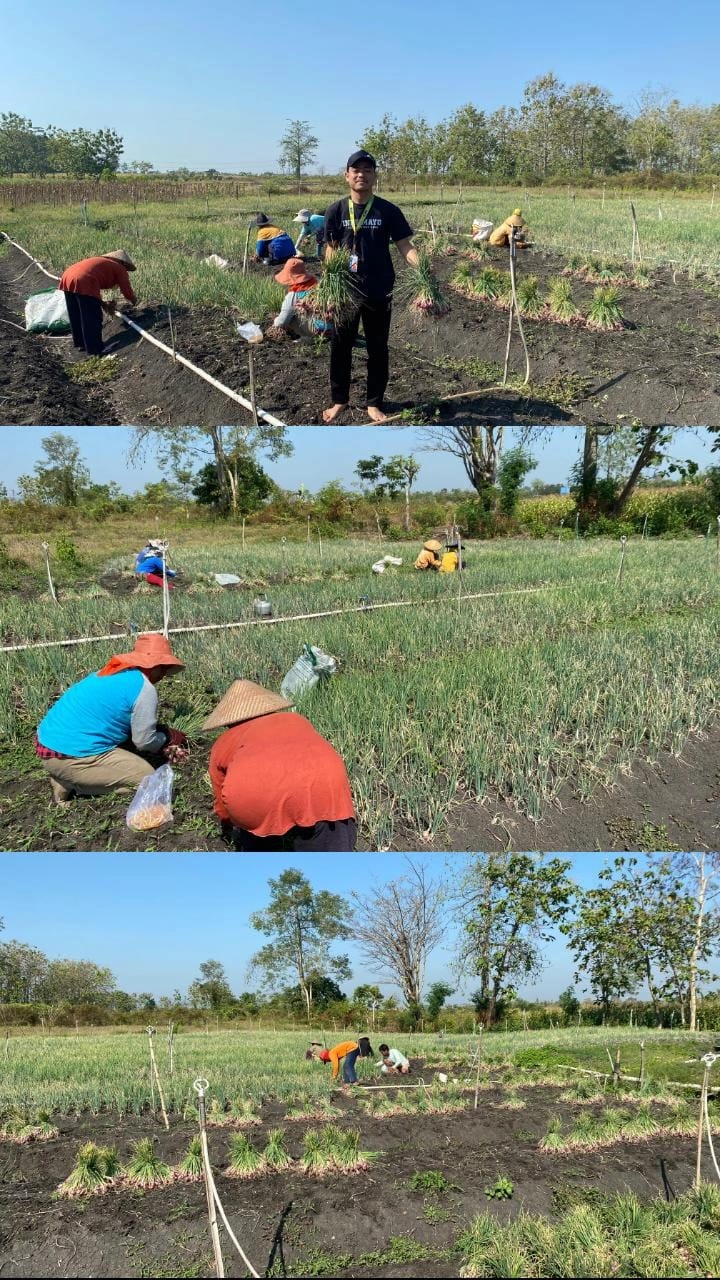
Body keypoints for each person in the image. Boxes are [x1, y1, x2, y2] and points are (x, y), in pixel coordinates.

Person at [322, 149, 428, 424]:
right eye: (356, 170)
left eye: (367, 170)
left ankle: (374, 403)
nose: (361, 175)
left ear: (374, 177)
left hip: (379, 289)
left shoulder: (388, 210)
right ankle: (339, 400)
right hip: (345, 292)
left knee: (378, 347)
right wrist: (331, 282)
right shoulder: (335, 210)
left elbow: (405, 246)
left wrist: (423, 272)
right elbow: (331, 249)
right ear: (347, 176)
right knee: (340, 346)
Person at [35, 634, 188, 806]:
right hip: (70, 755)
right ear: (156, 666)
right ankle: (71, 782)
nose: (164, 675)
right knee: (148, 779)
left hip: (48, 743)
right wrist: (166, 738)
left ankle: (69, 774)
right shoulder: (145, 689)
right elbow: (144, 742)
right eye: (164, 668)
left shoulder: (111, 672)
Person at [203, 679, 356, 851]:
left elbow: (221, 798)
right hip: (321, 782)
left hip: (254, 797)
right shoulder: (297, 719)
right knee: (329, 849)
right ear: (270, 708)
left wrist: (230, 824)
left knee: (258, 843)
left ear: (228, 722)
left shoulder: (224, 741)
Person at [58, 250, 137, 357]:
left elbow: (90, 293)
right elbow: (127, 291)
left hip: (67, 276)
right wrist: (134, 301)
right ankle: (95, 349)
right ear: (123, 263)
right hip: (84, 280)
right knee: (92, 317)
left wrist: (102, 303)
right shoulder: (119, 268)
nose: (126, 270)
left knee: (76, 313)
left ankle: (81, 343)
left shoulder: (101, 263)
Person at [271, 258, 331, 339]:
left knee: (290, 316)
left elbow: (281, 322)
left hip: (317, 330)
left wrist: (275, 320)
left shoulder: (294, 294)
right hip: (332, 328)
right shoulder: (318, 284)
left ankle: (307, 337)